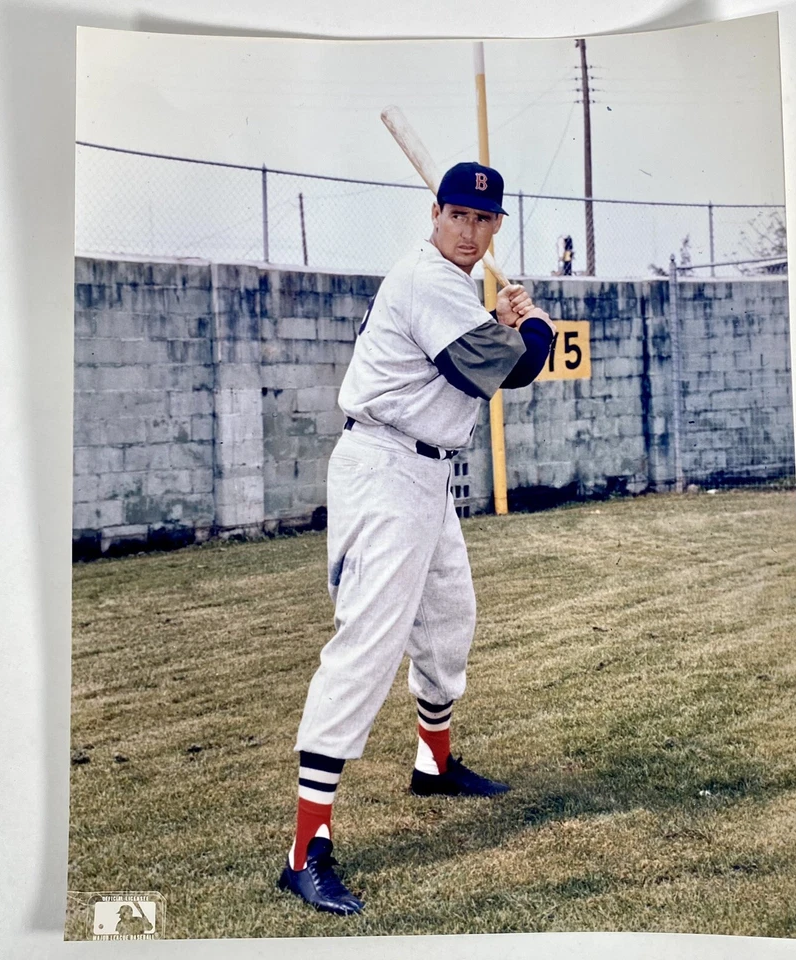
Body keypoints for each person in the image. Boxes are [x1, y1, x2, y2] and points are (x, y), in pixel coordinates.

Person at [277, 161, 557, 916]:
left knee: (447, 621)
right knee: (366, 645)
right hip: (384, 469)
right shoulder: (428, 278)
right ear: (435, 214)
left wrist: (495, 324)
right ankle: (305, 851)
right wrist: (529, 324)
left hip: (424, 473)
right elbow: (517, 368)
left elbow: (460, 363)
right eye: (457, 215)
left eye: (483, 220)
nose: (469, 231)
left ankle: (433, 763)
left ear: (497, 225)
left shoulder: (451, 286)